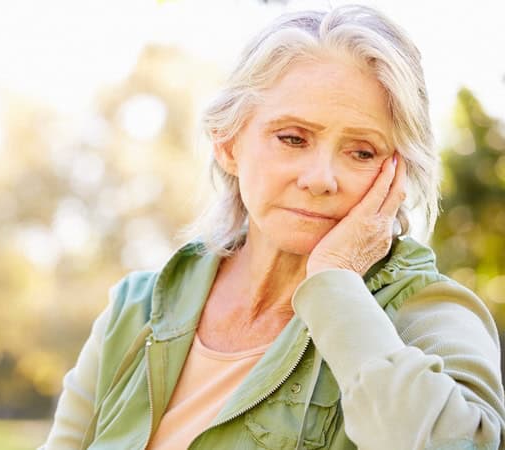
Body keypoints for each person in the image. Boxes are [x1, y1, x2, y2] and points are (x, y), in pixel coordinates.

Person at [41, 5, 505, 449]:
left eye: (362, 151)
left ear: (400, 171)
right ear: (228, 144)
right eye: (293, 139)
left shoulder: (427, 311)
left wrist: (335, 279)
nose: (321, 178)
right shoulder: (135, 310)